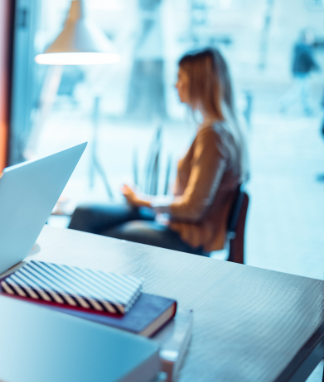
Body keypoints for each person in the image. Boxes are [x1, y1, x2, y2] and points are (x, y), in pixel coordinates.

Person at [68, 48, 248, 255]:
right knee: (85, 212)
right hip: (173, 222)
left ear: (199, 83)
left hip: (188, 237)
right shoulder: (223, 129)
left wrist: (141, 199)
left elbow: (193, 208)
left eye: (180, 77)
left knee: (106, 234)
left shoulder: (213, 134)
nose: (175, 85)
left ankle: (64, 283)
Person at [279, 29, 319, 116]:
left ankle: (307, 108)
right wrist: (317, 67)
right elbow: (309, 59)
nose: (312, 38)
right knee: (298, 90)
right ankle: (284, 102)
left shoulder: (301, 46)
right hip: (302, 72)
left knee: (305, 91)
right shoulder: (304, 47)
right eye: (310, 36)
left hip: (301, 72)